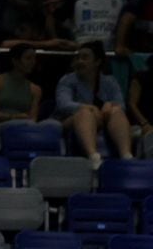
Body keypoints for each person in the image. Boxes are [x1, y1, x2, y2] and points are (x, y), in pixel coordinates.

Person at [55, 38, 136, 167]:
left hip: (102, 118)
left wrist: (111, 105)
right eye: (78, 58)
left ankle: (126, 156)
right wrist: (90, 108)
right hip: (70, 120)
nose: (80, 61)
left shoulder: (109, 81)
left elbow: (122, 105)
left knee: (116, 111)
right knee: (85, 113)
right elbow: (63, 105)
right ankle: (93, 157)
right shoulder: (67, 80)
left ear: (97, 62)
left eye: (85, 57)